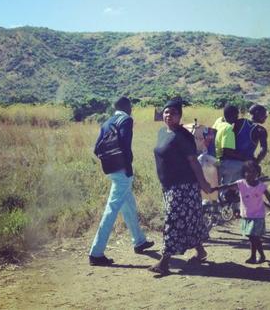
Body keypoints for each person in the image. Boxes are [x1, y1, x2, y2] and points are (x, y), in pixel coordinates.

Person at [149, 99, 213, 275]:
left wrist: (204, 183)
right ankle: (201, 251)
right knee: (190, 220)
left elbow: (193, 162)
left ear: (179, 116)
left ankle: (164, 262)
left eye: (173, 113)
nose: (169, 115)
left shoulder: (183, 136)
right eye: (166, 112)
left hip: (184, 186)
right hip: (169, 186)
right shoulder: (162, 132)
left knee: (173, 221)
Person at [89, 96, 154, 266]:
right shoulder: (126, 120)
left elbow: (96, 149)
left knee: (128, 205)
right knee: (111, 210)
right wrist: (127, 166)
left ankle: (139, 241)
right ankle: (96, 253)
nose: (132, 109)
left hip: (111, 170)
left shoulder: (107, 122)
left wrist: (111, 161)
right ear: (126, 107)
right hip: (123, 170)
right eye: (130, 106)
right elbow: (126, 146)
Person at [229, 160, 270, 264]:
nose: (250, 174)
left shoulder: (260, 186)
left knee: (253, 236)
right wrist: (215, 188)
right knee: (252, 237)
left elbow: (268, 196)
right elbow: (228, 186)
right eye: (248, 171)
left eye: (253, 171)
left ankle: (257, 256)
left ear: (257, 173)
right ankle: (257, 256)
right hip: (247, 216)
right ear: (244, 173)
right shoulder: (241, 184)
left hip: (258, 216)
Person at [213, 105, 244, 184]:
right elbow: (227, 152)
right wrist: (245, 158)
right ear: (233, 116)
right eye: (237, 115)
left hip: (213, 159)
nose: (237, 118)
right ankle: (236, 189)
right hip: (221, 162)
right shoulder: (228, 128)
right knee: (247, 167)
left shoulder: (219, 122)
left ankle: (225, 191)